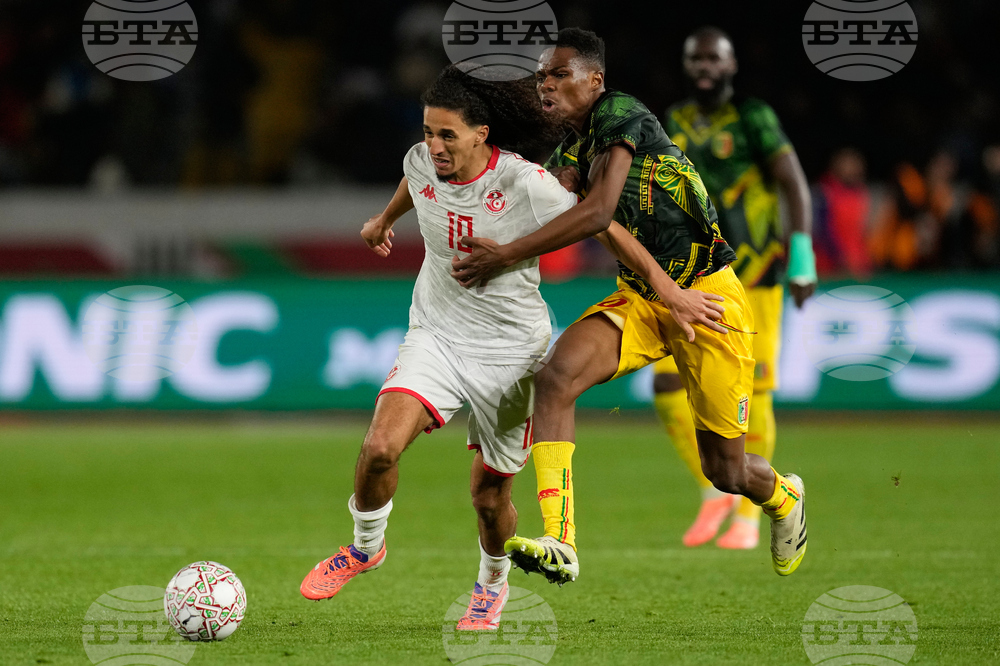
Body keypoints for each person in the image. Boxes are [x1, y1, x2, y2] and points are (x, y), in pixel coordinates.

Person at [451, 28, 808, 581]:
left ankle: (784, 498)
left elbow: (596, 215)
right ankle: (560, 540)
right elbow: (573, 214)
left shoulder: (622, 114)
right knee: (556, 378)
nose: (546, 83)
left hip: (709, 297)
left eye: (559, 73)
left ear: (594, 80)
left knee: (726, 470)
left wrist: (507, 255)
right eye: (542, 75)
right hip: (645, 298)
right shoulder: (572, 148)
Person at [298, 66, 579, 630]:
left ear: (482, 134)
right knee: (379, 447)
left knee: (488, 495)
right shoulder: (420, 161)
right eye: (428, 131)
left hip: (511, 353)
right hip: (437, 333)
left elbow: (597, 223)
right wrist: (384, 219)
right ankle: (363, 547)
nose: (434, 145)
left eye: (448, 134)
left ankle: (491, 585)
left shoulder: (525, 184)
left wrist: (667, 290)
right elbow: (414, 181)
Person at [653, 26, 817, 550]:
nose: (704, 66)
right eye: (695, 58)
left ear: (731, 66)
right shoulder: (674, 119)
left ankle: (750, 514)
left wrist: (802, 256)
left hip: (756, 272)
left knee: (756, 391)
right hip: (693, 276)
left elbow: (793, 183)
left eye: (714, 59)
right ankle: (714, 489)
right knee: (665, 385)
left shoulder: (754, 117)